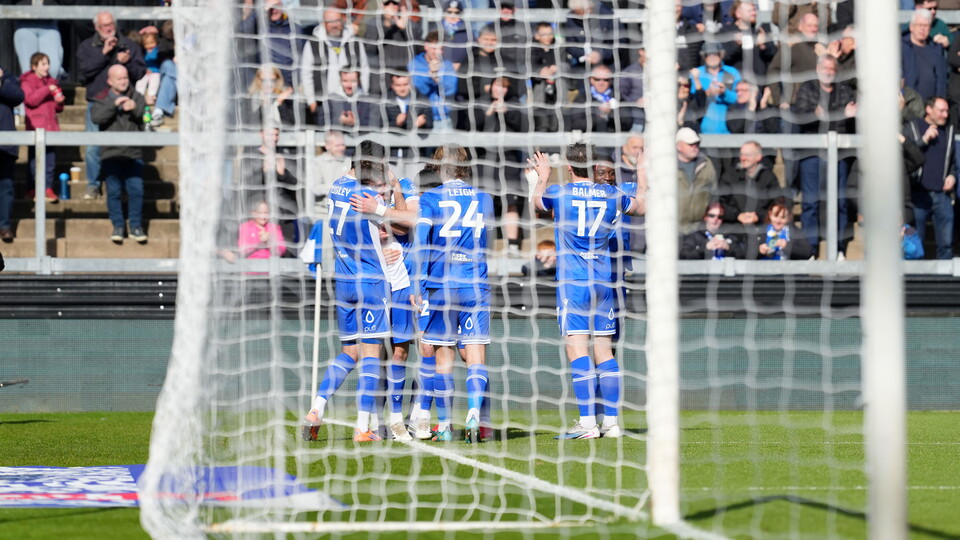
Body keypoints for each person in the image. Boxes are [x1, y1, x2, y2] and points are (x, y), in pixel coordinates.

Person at [528, 142, 641, 439]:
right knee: (604, 350)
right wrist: (644, 175)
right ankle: (612, 423)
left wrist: (542, 176)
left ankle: (588, 422)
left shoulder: (558, 193)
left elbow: (537, 206)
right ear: (594, 166)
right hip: (604, 282)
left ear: (568, 167)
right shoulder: (612, 194)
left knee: (577, 348)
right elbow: (641, 206)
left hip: (573, 283)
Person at [301, 140, 402, 442]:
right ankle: (363, 428)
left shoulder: (336, 186)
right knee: (371, 353)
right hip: (370, 279)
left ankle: (316, 408)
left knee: (349, 352)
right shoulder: (369, 198)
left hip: (343, 281)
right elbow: (397, 226)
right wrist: (390, 199)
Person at [411, 144, 494, 443]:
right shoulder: (484, 198)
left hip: (441, 284)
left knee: (443, 355)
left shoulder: (430, 198)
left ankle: (445, 425)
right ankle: (474, 414)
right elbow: (486, 241)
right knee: (475, 357)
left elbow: (421, 242)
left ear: (439, 168)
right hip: (475, 284)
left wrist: (416, 285)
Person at [77, 10, 146, 200]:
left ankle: (121, 186)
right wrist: (103, 53)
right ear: (96, 27)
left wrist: (128, 61)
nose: (108, 29)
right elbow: (83, 75)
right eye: (103, 26)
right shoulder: (87, 46)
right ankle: (93, 185)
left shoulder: (128, 45)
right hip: (97, 103)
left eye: (111, 25)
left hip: (125, 106)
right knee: (92, 148)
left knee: (123, 146)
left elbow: (140, 72)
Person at [792, 54, 857, 257]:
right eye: (825, 68)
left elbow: (848, 120)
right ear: (818, 69)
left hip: (838, 155)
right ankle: (810, 248)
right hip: (812, 153)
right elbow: (801, 116)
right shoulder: (807, 88)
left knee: (840, 202)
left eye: (832, 68)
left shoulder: (845, 90)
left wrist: (825, 114)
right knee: (810, 202)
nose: (828, 72)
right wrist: (835, 114)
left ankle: (838, 248)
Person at [91, 65, 148, 244]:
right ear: (110, 81)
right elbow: (96, 117)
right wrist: (113, 104)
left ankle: (136, 226)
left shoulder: (137, 96)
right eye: (119, 78)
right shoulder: (102, 98)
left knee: (136, 190)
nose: (124, 81)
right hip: (111, 153)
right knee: (114, 191)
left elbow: (147, 117)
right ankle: (118, 226)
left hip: (133, 153)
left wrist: (136, 109)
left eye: (125, 77)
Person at [904, 96, 956, 259]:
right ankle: (915, 281)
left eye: (947, 111)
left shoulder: (948, 131)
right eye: (941, 111)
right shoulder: (914, 126)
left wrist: (953, 176)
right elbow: (905, 154)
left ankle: (946, 283)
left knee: (946, 243)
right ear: (929, 109)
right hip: (918, 193)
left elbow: (953, 161)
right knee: (914, 243)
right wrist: (924, 140)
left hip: (942, 195)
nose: (945, 115)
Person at [717, 141, 791, 254]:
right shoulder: (729, 176)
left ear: (758, 157)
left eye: (748, 155)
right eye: (741, 154)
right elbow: (719, 203)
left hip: (761, 230)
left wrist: (759, 216)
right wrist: (737, 215)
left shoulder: (768, 177)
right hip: (734, 230)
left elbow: (777, 204)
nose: (743, 158)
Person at [302, 6, 370, 117]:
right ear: (324, 23)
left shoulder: (355, 42)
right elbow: (306, 75)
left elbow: (364, 69)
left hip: (352, 102)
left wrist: (364, 96)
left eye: (337, 21)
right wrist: (311, 101)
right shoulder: (313, 44)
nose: (334, 25)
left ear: (342, 21)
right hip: (323, 104)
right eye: (330, 22)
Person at [20, 52, 64, 205]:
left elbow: (58, 109)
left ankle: (47, 188)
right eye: (43, 64)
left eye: (48, 63)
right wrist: (48, 89)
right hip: (36, 127)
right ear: (34, 67)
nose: (47, 67)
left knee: (50, 161)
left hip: (51, 127)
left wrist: (59, 101)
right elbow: (31, 100)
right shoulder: (27, 82)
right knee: (34, 161)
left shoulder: (51, 82)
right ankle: (32, 189)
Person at [238, 0, 305, 88]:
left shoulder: (294, 29)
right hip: (264, 82)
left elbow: (301, 59)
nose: (274, 10)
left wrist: (292, 85)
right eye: (271, 8)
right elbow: (242, 30)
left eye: (277, 6)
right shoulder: (259, 27)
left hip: (287, 85)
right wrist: (261, 10)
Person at [363, 0, 422, 97]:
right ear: (382, 5)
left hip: (403, 83)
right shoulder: (373, 23)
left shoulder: (409, 23)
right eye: (387, 3)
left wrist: (405, 29)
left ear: (399, 5)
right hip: (380, 82)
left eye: (394, 3)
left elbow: (419, 49)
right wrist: (387, 25)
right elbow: (370, 49)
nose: (391, 6)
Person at [381, 74, 434, 180]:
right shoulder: (384, 100)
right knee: (394, 191)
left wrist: (421, 124)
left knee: (414, 189)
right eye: (398, 85)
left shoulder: (422, 99)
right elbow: (378, 126)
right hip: (393, 156)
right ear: (392, 85)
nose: (402, 88)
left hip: (415, 155)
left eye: (405, 84)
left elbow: (430, 125)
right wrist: (395, 124)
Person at [408, 31, 458, 130]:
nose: (438, 52)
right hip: (422, 117)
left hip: (444, 118)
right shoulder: (415, 64)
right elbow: (418, 89)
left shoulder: (447, 65)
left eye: (441, 49)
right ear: (426, 46)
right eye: (434, 48)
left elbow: (451, 90)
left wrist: (437, 78)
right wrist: (429, 75)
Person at [690, 42, 742, 135]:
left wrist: (724, 92)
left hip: (730, 131)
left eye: (715, 54)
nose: (712, 57)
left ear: (721, 55)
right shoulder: (696, 74)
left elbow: (740, 99)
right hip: (703, 131)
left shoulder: (732, 72)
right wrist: (706, 94)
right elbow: (692, 102)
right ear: (704, 56)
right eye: (708, 55)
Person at [566, 65, 633, 135]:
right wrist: (599, 117)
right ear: (591, 80)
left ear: (610, 80)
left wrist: (611, 113)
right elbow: (575, 124)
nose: (601, 83)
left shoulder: (619, 98)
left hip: (612, 141)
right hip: (590, 141)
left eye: (605, 80)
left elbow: (628, 124)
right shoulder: (582, 99)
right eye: (597, 79)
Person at [676, 127, 719, 234]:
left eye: (696, 144)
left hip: (698, 229)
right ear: (679, 146)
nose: (694, 147)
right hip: (672, 229)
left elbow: (714, 194)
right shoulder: (667, 165)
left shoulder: (706, 164)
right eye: (690, 144)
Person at [901, 9, 947, 101]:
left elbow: (941, 79)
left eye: (926, 26)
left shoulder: (936, 49)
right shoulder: (901, 47)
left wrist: (940, 98)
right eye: (919, 25)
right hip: (909, 104)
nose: (922, 28)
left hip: (931, 105)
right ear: (911, 27)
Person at [0, 66, 24, 243]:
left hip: (5, 146)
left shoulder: (6, 75)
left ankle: (5, 226)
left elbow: (18, 97)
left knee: (6, 188)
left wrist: (0, 82)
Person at [680, 201, 747, 260]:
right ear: (705, 217)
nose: (716, 219)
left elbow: (745, 255)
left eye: (720, 217)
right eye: (712, 215)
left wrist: (728, 248)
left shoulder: (730, 235)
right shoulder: (695, 236)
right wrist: (705, 248)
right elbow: (683, 255)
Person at [530, 22, 563, 133]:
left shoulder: (559, 48)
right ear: (537, 36)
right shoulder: (531, 49)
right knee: (542, 125)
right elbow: (528, 67)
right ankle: (541, 151)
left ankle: (555, 150)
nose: (548, 37)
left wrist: (558, 68)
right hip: (539, 95)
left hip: (557, 94)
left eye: (550, 34)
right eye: (544, 34)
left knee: (556, 125)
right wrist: (540, 71)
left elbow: (567, 65)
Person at [240, 65, 296, 129]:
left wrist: (279, 103)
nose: (268, 84)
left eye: (272, 80)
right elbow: (249, 126)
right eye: (264, 80)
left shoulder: (285, 98)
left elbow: (290, 127)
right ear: (258, 80)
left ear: (277, 80)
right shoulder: (249, 100)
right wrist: (263, 106)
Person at [428, 0, 471, 70]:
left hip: (460, 72)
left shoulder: (468, 33)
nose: (453, 15)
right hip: (436, 68)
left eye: (457, 12)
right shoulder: (434, 31)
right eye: (449, 12)